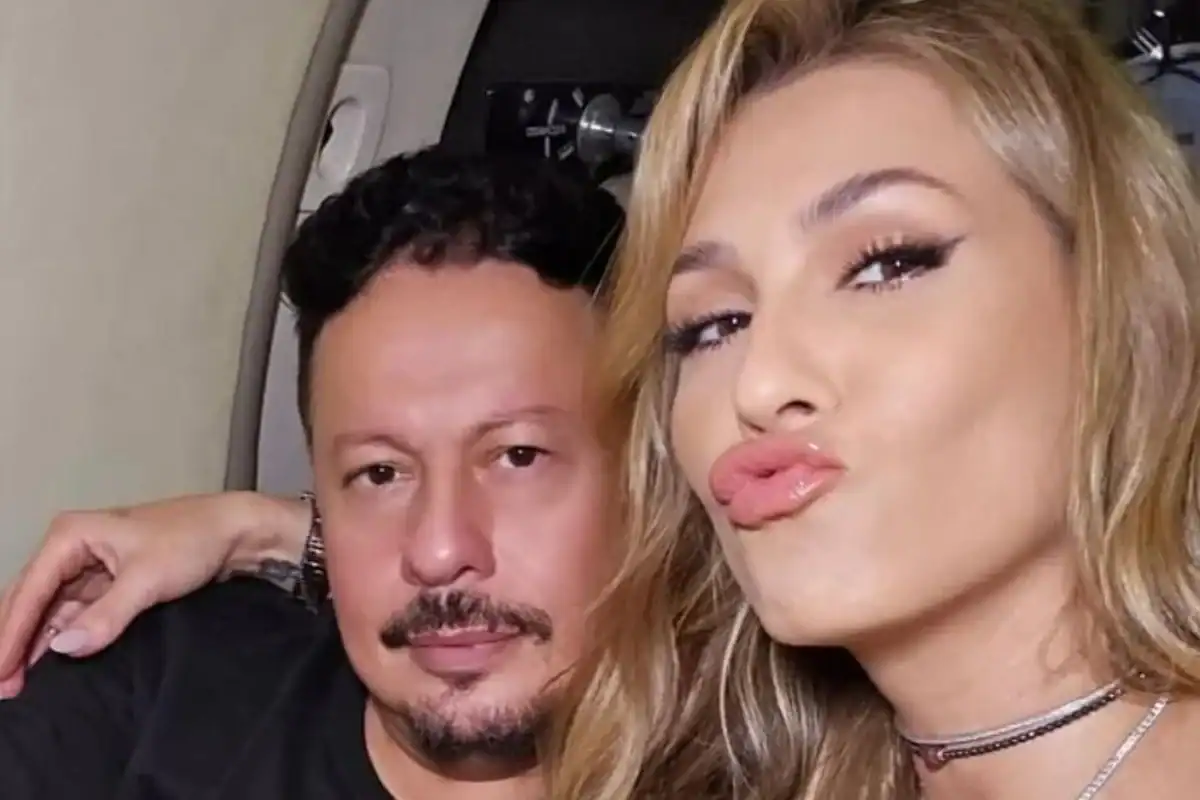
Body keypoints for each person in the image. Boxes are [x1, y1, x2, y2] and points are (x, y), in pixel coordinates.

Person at [3, 0, 1199, 798]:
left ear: (1120, 297)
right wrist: (274, 529)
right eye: (711, 323)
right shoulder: (814, 753)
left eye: (887, 261)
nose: (758, 379)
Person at [0, 145, 623, 799]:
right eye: (380, 474)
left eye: (519, 457)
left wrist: (259, 529)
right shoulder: (156, 688)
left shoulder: (701, 756)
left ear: (649, 476)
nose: (439, 551)